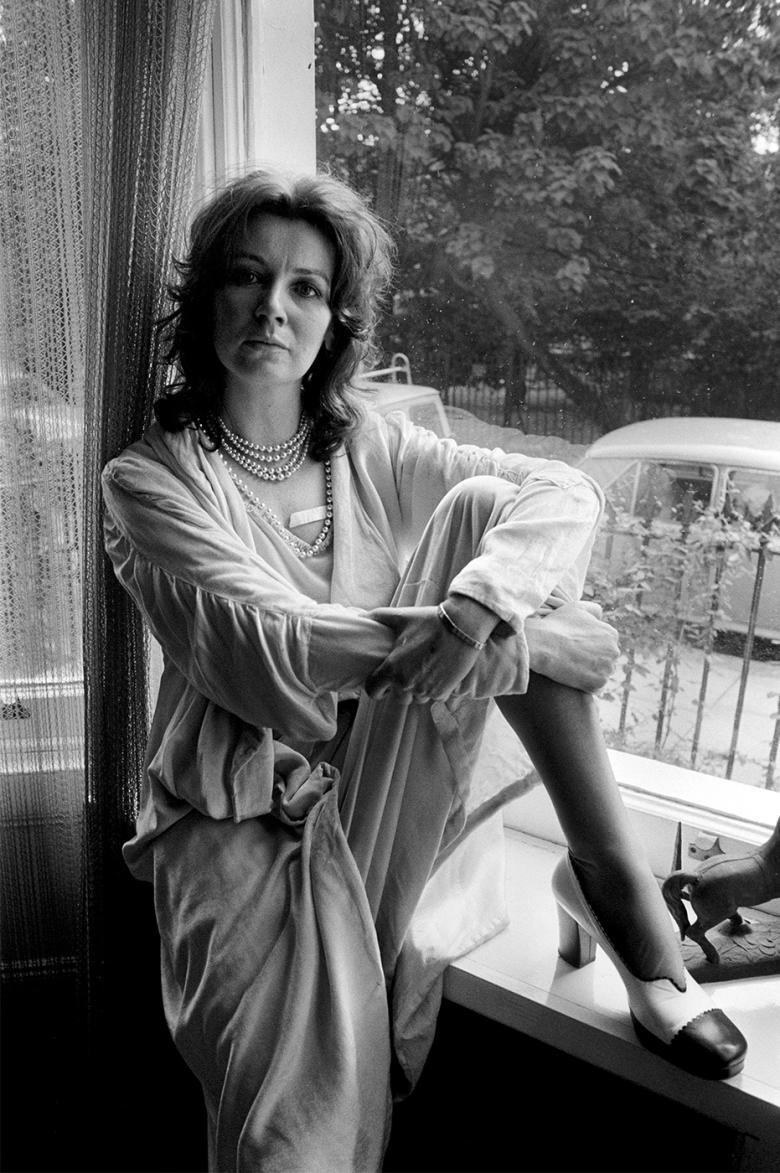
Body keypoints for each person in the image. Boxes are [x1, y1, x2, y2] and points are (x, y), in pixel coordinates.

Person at [102, 168, 747, 1173]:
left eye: (306, 288)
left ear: (335, 321)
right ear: (207, 299)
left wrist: (485, 610)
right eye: (247, 277)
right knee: (285, 1138)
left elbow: (564, 492)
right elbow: (276, 647)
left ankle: (614, 882)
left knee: (487, 516)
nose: (273, 307)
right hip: (239, 819)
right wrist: (538, 648)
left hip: (381, 783)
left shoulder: (367, 446)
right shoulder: (148, 482)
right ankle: (618, 899)